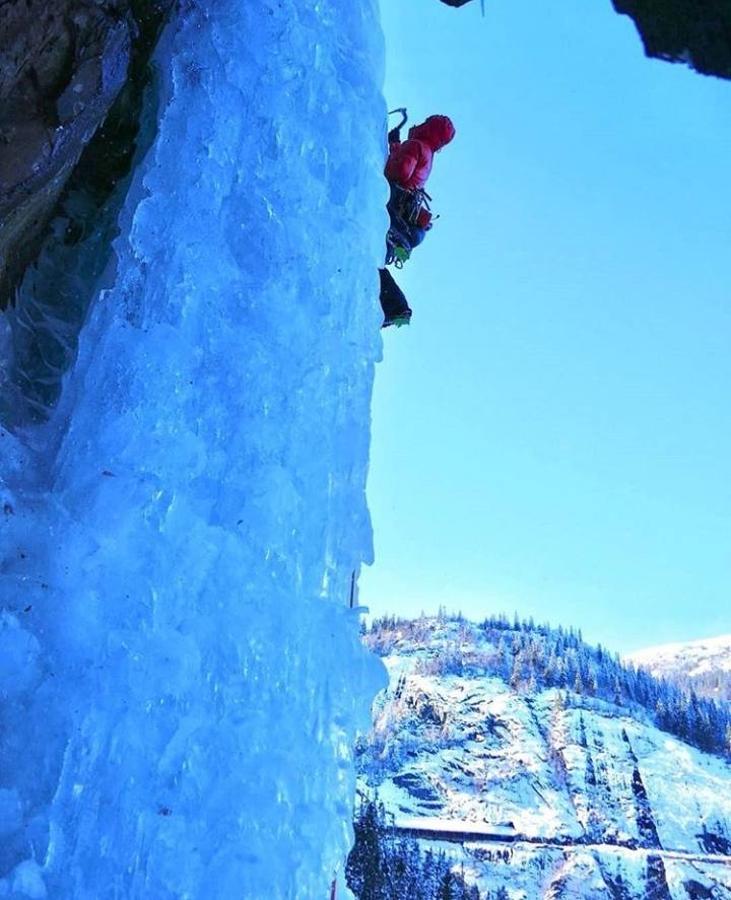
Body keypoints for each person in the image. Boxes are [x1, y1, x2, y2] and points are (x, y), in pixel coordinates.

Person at [379, 114, 455, 328]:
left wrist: (393, 149)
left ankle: (396, 308)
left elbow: (399, 170)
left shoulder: (417, 146)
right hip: (403, 229)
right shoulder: (428, 155)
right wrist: (395, 144)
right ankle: (396, 308)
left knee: (364, 254)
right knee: (371, 261)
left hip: (390, 211)